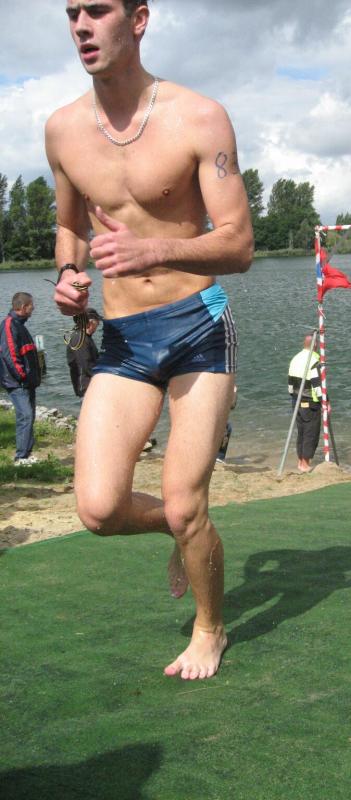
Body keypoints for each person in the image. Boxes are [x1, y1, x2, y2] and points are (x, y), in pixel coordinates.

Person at [46, 0, 253, 681]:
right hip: (124, 339)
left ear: (137, 20)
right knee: (99, 509)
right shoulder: (62, 129)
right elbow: (71, 228)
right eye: (71, 12)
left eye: (96, 10)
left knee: (187, 497)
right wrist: (69, 275)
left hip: (198, 325)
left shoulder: (199, 117)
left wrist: (155, 249)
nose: (81, 25)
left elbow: (240, 245)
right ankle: (179, 528)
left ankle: (210, 627)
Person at [0, 292, 42, 465]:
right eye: (31, 305)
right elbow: (10, 355)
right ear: (23, 307)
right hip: (17, 382)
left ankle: (27, 454)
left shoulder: (20, 325)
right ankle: (21, 457)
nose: (33, 308)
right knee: (25, 416)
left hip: (27, 382)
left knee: (29, 415)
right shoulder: (9, 324)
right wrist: (22, 376)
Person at [288, 334, 322, 472]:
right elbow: (317, 386)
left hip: (296, 401)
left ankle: (300, 461)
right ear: (315, 345)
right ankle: (305, 464)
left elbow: (290, 386)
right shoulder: (314, 360)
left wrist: (295, 397)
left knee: (301, 432)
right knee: (310, 433)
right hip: (310, 403)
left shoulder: (295, 358)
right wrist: (325, 401)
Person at [66, 308, 102, 397]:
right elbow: (86, 365)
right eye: (97, 322)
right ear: (90, 322)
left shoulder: (84, 337)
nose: (98, 324)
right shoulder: (79, 338)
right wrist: (103, 378)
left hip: (89, 384)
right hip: (86, 386)